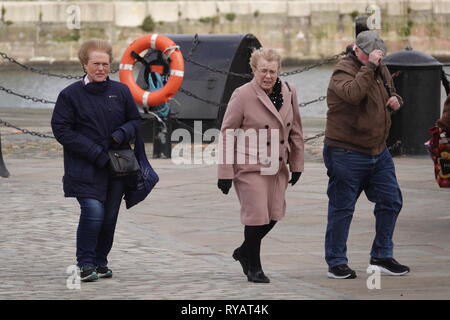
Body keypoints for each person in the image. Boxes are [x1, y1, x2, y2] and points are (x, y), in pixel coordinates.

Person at [51, 39, 141, 282]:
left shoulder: (121, 91)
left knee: (109, 217)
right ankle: (85, 264)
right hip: (84, 167)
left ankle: (101, 262)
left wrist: (120, 134)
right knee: (93, 212)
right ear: (84, 65)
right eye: (95, 64)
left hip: (116, 167)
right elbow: (62, 130)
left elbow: (135, 120)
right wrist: (94, 152)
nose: (101, 68)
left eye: (105, 64)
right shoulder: (70, 95)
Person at [323, 30, 410, 279]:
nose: (376, 59)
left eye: (379, 55)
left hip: (378, 151)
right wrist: (369, 66)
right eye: (371, 54)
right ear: (358, 50)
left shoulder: (378, 68)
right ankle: (336, 262)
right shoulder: (343, 71)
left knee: (391, 200)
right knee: (342, 208)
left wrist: (395, 99)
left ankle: (382, 256)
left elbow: (389, 91)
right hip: (346, 151)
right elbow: (353, 94)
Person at [217, 48, 304, 283]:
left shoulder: (289, 91)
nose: (268, 76)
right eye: (263, 70)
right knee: (256, 216)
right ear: (254, 70)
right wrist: (224, 171)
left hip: (277, 165)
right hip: (250, 165)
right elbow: (227, 133)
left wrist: (297, 164)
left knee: (274, 215)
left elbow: (295, 129)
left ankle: (244, 251)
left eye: (272, 71)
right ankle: (254, 266)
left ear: (279, 71)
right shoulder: (242, 94)